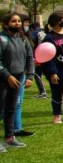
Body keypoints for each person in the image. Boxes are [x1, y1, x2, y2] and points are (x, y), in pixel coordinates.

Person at [0, 13, 35, 151]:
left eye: (19, 21)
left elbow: (30, 58)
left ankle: (9, 137)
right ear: (6, 23)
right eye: (13, 21)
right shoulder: (2, 39)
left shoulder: (23, 39)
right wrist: (7, 75)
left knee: (11, 108)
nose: (17, 23)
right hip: (3, 79)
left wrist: (30, 76)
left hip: (18, 78)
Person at [29, 22, 47, 99]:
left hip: (37, 56)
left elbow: (31, 44)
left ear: (31, 28)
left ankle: (42, 92)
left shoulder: (33, 33)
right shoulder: (43, 32)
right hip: (46, 55)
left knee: (37, 74)